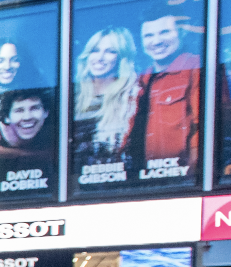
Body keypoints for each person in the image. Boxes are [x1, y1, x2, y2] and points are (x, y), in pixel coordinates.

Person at [130, 14, 202, 183]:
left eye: (164, 32)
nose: (156, 41)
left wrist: (192, 176)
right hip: (141, 182)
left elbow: (206, 128)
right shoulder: (141, 79)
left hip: (181, 181)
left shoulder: (196, 67)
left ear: (182, 33)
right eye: (149, 35)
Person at [71, 27, 140, 179]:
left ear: (121, 57)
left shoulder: (131, 96)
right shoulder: (72, 98)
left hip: (116, 182)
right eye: (95, 50)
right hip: (76, 183)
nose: (100, 57)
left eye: (110, 51)